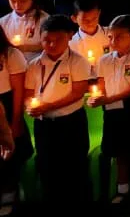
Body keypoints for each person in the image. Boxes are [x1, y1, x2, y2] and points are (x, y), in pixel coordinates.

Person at [25, 14, 92, 207]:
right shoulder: (34, 64)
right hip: (44, 124)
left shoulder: (77, 61)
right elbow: (29, 93)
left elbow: (78, 93)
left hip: (71, 122)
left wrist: (49, 106)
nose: (52, 45)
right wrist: (30, 106)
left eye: (58, 40)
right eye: (47, 40)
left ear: (69, 36)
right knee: (47, 167)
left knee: (75, 166)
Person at [91, 14, 130, 206]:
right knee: (119, 153)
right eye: (110, 37)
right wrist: (98, 97)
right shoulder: (104, 60)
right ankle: (123, 190)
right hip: (112, 111)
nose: (113, 41)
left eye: (119, 36)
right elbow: (101, 85)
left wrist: (107, 98)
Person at [0, 25, 30, 213]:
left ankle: (10, 194)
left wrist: (16, 120)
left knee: (10, 152)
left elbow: (18, 89)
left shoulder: (11, 54)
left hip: (7, 101)